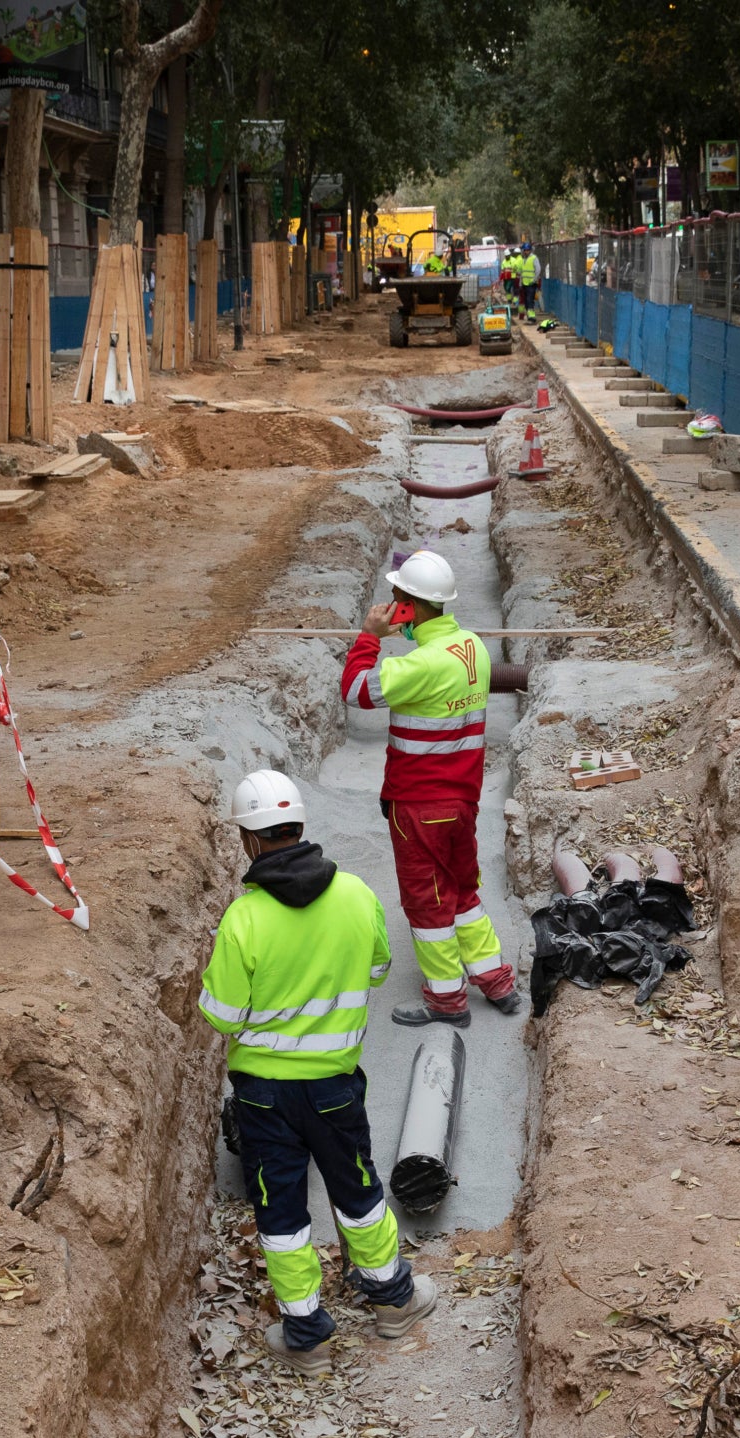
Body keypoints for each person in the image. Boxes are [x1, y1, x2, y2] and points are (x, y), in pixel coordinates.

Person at [198, 769, 437, 1371]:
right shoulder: (356, 895)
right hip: (334, 1088)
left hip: (263, 1098)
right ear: (301, 825)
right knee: (358, 1193)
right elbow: (380, 969)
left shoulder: (243, 919)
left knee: (280, 1212)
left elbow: (221, 1016)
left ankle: (307, 1340)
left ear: (249, 840)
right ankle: (393, 1303)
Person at [339, 550, 522, 1027]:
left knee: (427, 903)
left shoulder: (419, 666)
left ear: (412, 605)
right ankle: (496, 980)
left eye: (397, 598)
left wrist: (370, 636)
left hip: (419, 805)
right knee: (464, 891)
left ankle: (446, 1000)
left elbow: (357, 690)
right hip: (462, 802)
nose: (391, 603)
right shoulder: (472, 648)